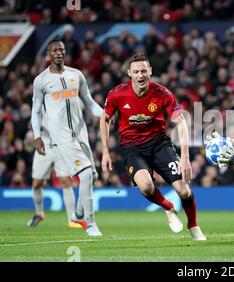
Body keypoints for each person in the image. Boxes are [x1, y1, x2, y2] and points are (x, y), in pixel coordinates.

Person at [100, 54, 206, 241]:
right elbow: (105, 118)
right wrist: (105, 152)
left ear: (150, 71)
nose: (140, 75)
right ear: (129, 74)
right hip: (132, 147)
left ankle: (194, 225)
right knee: (147, 187)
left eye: (143, 71)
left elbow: (180, 122)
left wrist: (185, 156)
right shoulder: (117, 93)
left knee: (184, 190)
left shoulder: (163, 93)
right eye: (136, 72)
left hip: (159, 144)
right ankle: (168, 207)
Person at [31, 39, 103, 236]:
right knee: (86, 174)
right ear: (49, 54)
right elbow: (36, 111)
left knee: (93, 176)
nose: (59, 53)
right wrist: (37, 136)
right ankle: (90, 223)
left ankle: (78, 213)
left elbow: (88, 102)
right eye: (55, 50)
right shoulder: (41, 80)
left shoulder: (76, 75)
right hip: (60, 137)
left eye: (61, 50)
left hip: (81, 134)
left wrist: (104, 114)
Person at [28, 116, 88, 229]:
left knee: (65, 180)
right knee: (36, 184)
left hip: (61, 144)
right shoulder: (39, 101)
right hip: (44, 144)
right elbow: (34, 120)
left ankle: (72, 219)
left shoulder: (63, 101)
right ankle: (39, 213)